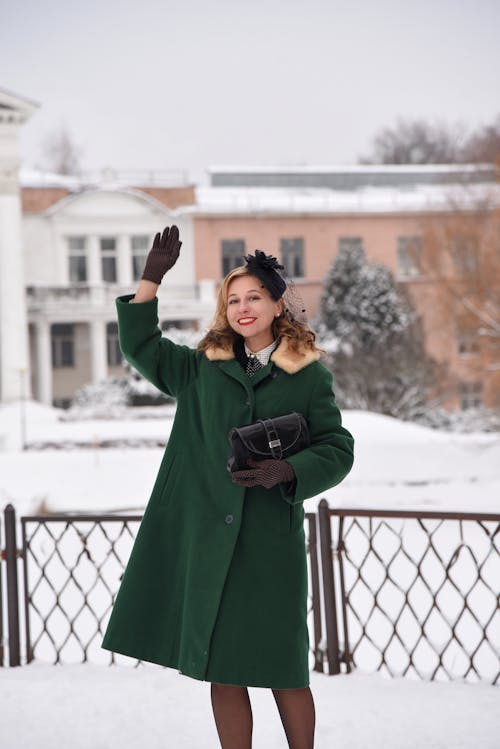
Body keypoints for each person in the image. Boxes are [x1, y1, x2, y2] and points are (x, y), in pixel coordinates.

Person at [101, 225, 354, 749]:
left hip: (270, 545)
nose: (243, 307)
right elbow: (139, 343)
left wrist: (290, 472)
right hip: (210, 546)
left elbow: (337, 447)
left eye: (254, 296)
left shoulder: (308, 376)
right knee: (224, 669)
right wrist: (150, 280)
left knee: (285, 669)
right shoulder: (199, 369)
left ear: (277, 304)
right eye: (233, 299)